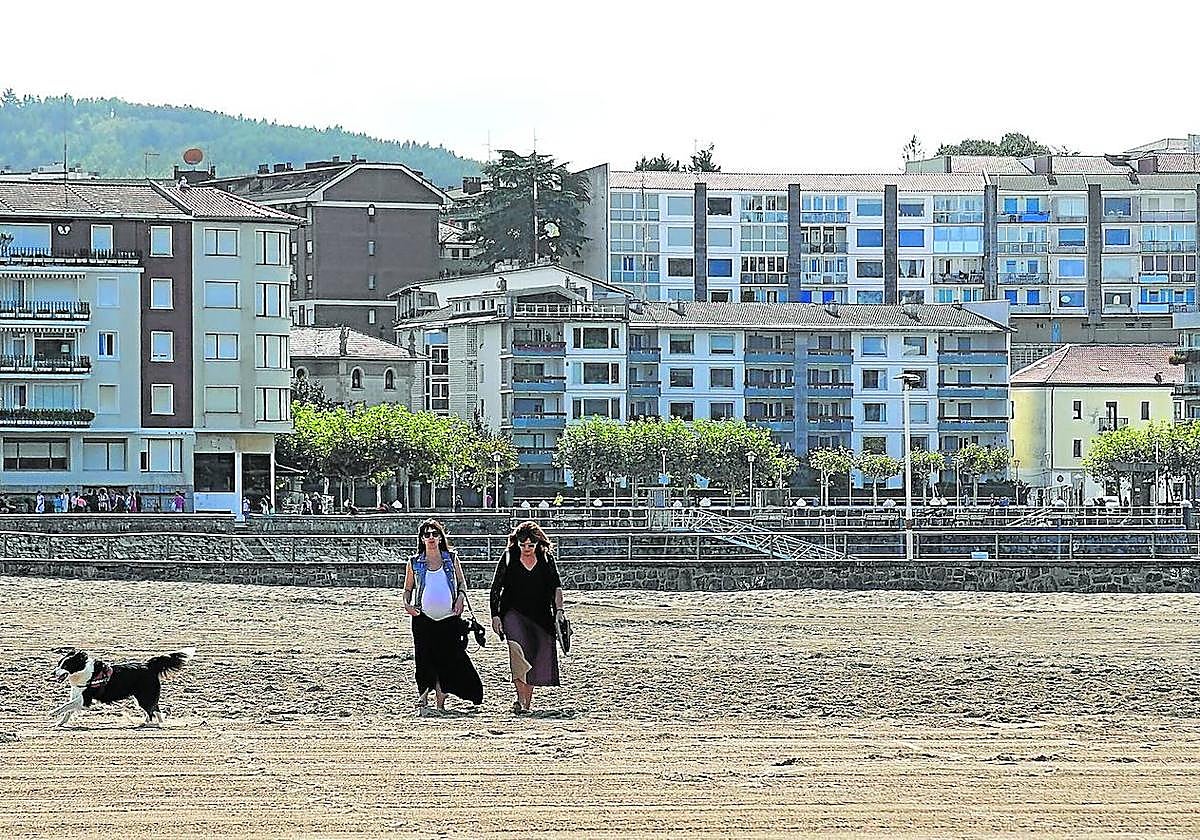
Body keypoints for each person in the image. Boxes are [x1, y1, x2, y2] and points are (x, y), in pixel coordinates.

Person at [403, 519, 482, 712]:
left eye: (434, 534)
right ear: (421, 539)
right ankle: (424, 694)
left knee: (448, 658)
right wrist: (407, 605)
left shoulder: (451, 558)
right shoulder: (414, 563)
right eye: (427, 535)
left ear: (440, 537)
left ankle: (441, 699)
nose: (431, 538)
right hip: (423, 618)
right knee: (424, 658)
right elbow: (408, 589)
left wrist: (461, 598)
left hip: (449, 618)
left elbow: (462, 583)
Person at [490, 520, 565, 715]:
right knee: (517, 653)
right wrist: (495, 616)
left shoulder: (546, 558)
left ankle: (525, 702)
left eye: (530, 545)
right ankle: (521, 700)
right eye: (522, 545)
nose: (526, 548)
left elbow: (556, 587)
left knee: (532, 657)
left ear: (538, 543)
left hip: (540, 615)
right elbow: (496, 588)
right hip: (512, 614)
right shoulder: (508, 557)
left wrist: (559, 611)